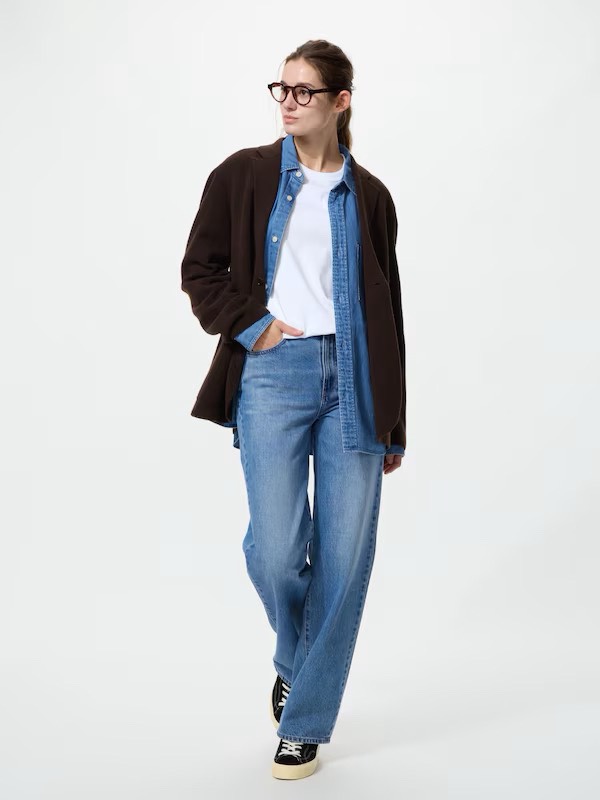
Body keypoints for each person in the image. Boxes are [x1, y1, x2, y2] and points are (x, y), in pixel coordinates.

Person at [180, 39, 407, 780]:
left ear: (341, 101)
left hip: (357, 382)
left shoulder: (370, 196)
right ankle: (296, 660)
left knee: (343, 560)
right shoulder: (242, 175)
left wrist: (395, 422)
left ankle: (302, 722)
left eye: (305, 91)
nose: (288, 102)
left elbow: (389, 312)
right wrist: (257, 327)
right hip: (274, 375)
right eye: (281, 88)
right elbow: (200, 271)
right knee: (275, 550)